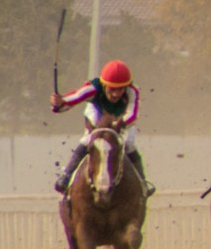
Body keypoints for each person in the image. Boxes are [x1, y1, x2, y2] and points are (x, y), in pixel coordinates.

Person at [52, 59, 153, 195]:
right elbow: (75, 97)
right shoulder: (94, 87)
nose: (116, 94)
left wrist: (119, 123)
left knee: (129, 143)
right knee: (88, 139)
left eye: (120, 89)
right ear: (104, 85)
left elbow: (132, 114)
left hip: (122, 118)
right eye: (112, 89)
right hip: (98, 112)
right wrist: (60, 101)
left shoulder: (132, 91)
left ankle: (143, 182)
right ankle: (66, 176)